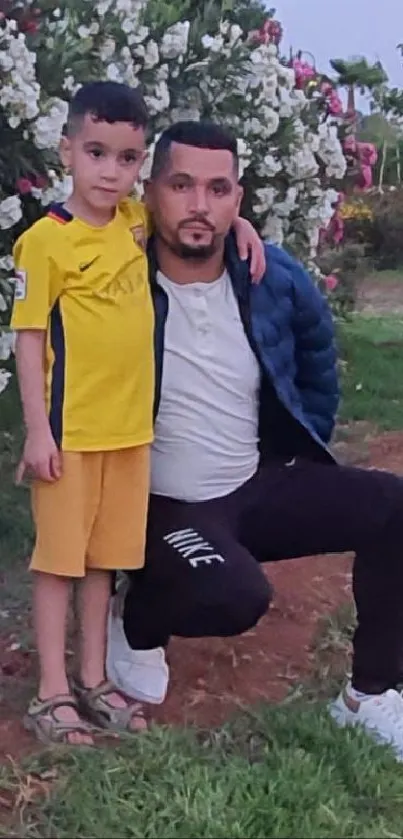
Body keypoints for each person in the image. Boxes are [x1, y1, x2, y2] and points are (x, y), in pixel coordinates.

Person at [107, 119, 403, 762]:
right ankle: (136, 619)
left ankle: (369, 696)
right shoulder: (114, 274)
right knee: (235, 597)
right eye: (181, 185)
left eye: (218, 190)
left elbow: (316, 357)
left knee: (394, 506)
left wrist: (304, 450)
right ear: (150, 191)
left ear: (238, 199)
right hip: (164, 504)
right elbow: (66, 225)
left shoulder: (268, 273)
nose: (199, 206)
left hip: (255, 482)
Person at [11, 85, 264, 746]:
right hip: (72, 435)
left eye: (125, 158)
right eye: (95, 152)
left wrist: (239, 223)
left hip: (131, 437)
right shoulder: (46, 242)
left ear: (139, 171)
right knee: (59, 563)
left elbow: (198, 220)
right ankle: (50, 691)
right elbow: (30, 335)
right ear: (66, 150)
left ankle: (94, 680)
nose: (108, 171)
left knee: (102, 564)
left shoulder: (132, 222)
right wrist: (38, 431)